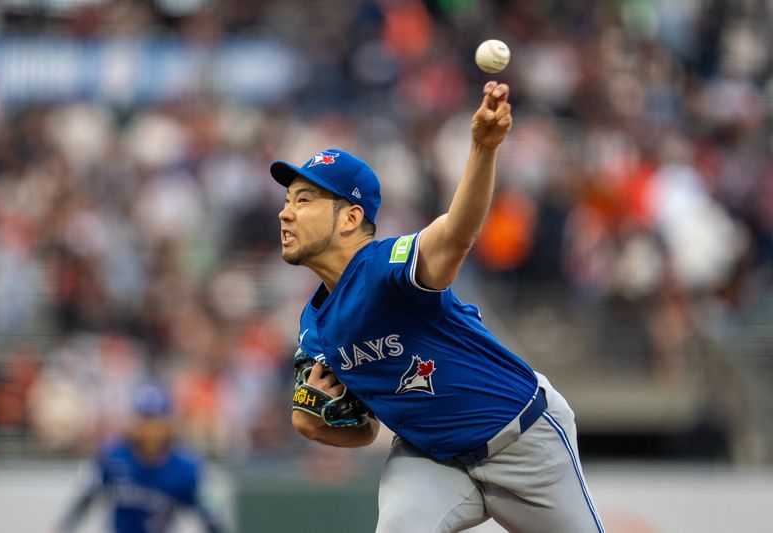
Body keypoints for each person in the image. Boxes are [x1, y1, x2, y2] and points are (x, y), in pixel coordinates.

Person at [270, 81, 604, 532]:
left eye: (304, 201)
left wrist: (483, 149)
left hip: (523, 441)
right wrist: (315, 424)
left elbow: (455, 235)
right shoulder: (314, 326)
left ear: (351, 217)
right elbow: (360, 428)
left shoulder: (384, 268)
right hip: (430, 458)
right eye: (287, 201)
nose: (285, 213)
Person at [54, 381, 224, 533]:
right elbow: (85, 498)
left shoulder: (187, 467)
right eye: (144, 418)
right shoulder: (112, 456)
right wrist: (61, 529)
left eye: (156, 420)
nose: (150, 428)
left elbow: (210, 515)